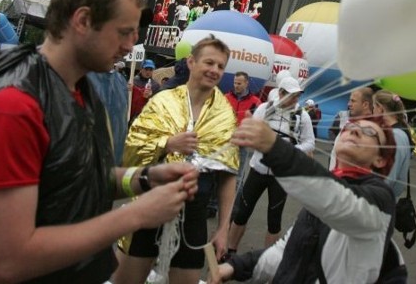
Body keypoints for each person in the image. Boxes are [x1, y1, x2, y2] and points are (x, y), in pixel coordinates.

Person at [0, 0, 199, 283]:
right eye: (124, 32)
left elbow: (75, 180)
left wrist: (145, 177)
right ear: (83, 21)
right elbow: (9, 261)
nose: (130, 46)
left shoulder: (81, 90)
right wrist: (137, 214)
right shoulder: (14, 107)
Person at [208, 115, 406, 283]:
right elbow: (287, 253)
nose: (354, 132)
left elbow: (338, 201)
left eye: (369, 132)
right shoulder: (319, 197)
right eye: (351, 127)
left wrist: (276, 148)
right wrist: (234, 267)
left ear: (380, 160)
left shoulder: (381, 200)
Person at [114, 35, 239, 284]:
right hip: (152, 203)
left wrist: (223, 229)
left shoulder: (224, 113)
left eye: (220, 66)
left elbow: (227, 176)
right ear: (191, 62)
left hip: (194, 212)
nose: (214, 70)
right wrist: (167, 143)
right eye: (209, 62)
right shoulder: (163, 101)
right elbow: (132, 147)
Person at [227, 76, 314, 254]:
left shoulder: (302, 116)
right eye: (292, 95)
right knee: (242, 212)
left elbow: (310, 142)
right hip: (258, 169)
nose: (295, 99)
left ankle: (268, 261)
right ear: (281, 93)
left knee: (274, 220)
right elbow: (252, 132)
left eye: (297, 95)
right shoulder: (263, 109)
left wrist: (290, 149)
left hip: (281, 175)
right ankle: (229, 251)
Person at [224, 71, 262, 190]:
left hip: (242, 144)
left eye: (239, 83)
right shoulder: (226, 98)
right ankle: (214, 205)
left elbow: (258, 125)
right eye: (235, 83)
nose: (236, 86)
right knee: (221, 172)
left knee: (238, 175)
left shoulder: (255, 103)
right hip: (225, 142)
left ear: (246, 83)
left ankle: (234, 205)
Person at [329, 86, 374, 168]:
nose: (349, 104)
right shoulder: (349, 123)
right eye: (349, 100)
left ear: (365, 105)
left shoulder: (373, 131)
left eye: (353, 101)